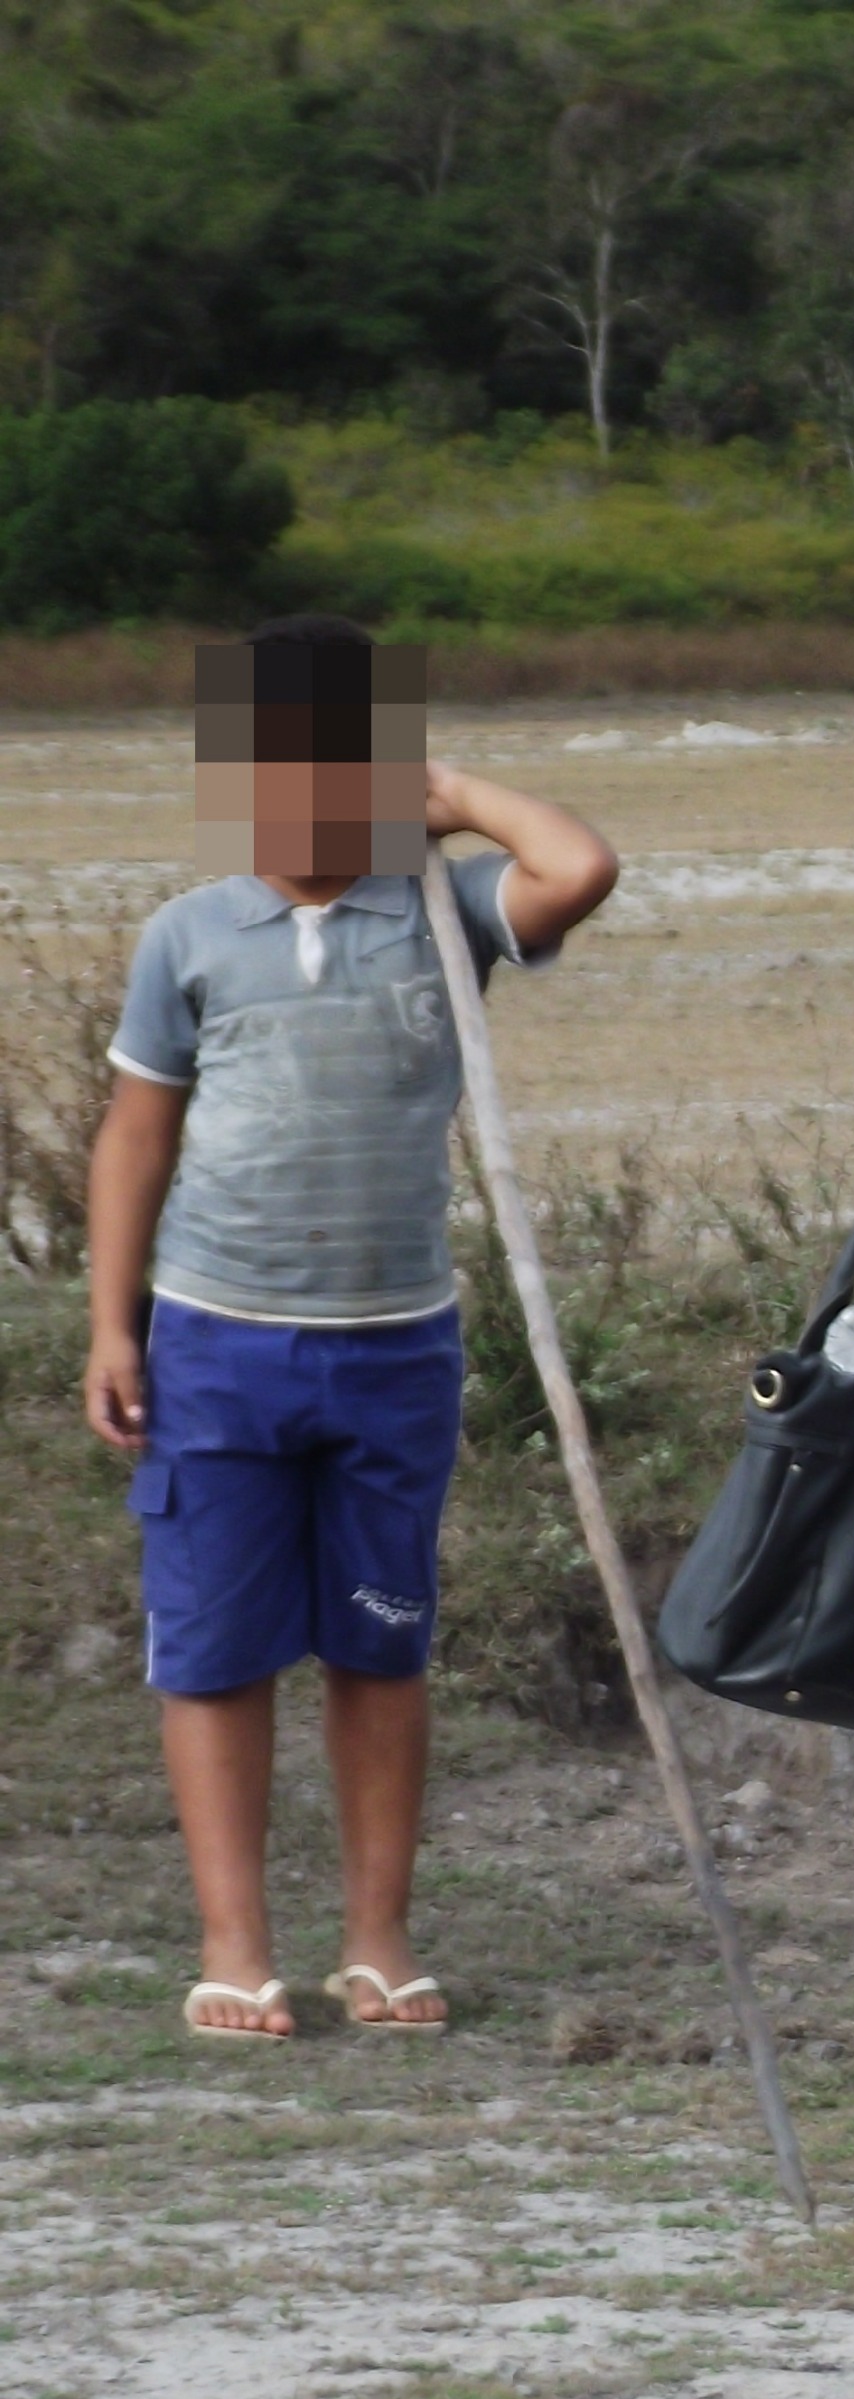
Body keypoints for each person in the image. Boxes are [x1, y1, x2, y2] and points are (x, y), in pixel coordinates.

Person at [80, 613, 621, 2044]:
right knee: (213, 1646)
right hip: (215, 1341)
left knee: (381, 1644)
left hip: (395, 1345)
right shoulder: (191, 934)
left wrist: (446, 793)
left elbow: (584, 867)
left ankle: (377, 1939)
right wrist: (110, 1325)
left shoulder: (440, 910)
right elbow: (135, 1139)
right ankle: (234, 1944)